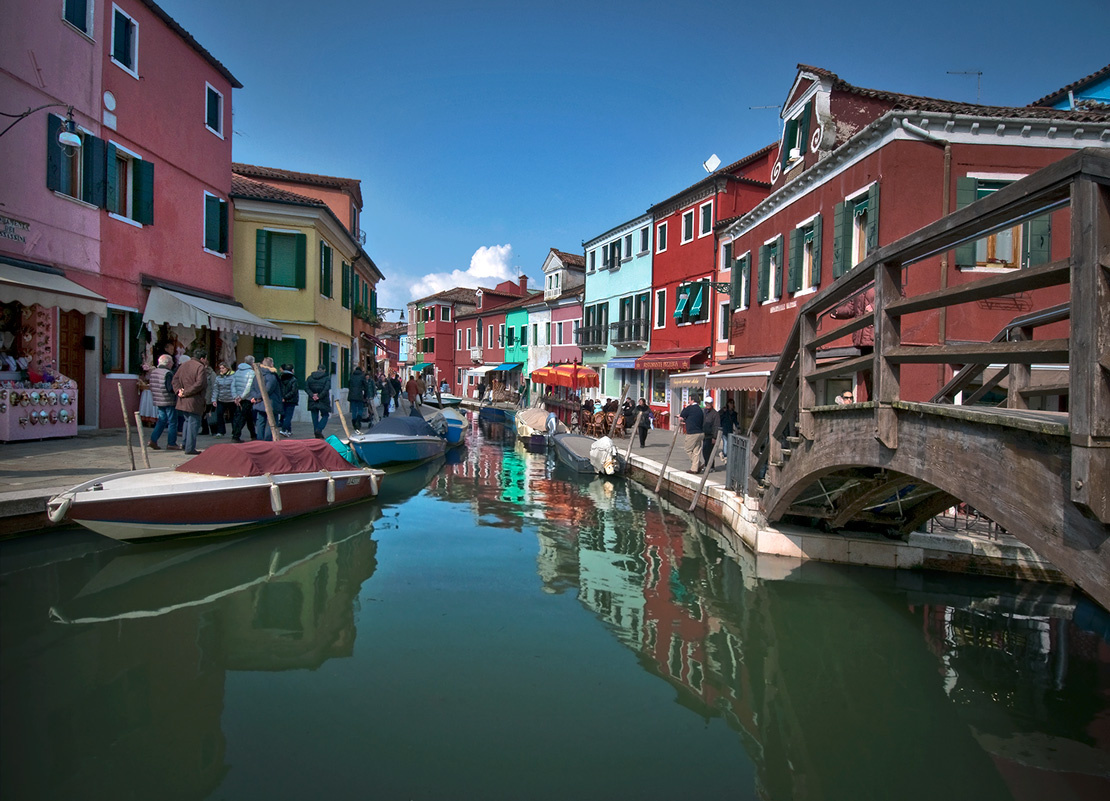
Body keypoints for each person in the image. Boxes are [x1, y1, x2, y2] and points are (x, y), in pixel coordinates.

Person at [172, 347, 209, 455]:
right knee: (193, 423)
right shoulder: (200, 367)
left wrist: (179, 391)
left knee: (187, 422)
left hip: (183, 399)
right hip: (194, 400)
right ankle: (190, 447)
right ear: (202, 358)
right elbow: (200, 384)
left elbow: (175, 379)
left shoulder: (183, 365)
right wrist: (186, 392)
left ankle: (185, 444)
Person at [147, 354, 180, 450]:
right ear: (168, 363)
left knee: (162, 420)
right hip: (168, 400)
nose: (173, 364)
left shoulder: (154, 372)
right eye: (172, 362)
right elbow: (170, 388)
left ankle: (153, 439)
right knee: (172, 422)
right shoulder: (168, 373)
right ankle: (171, 443)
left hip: (158, 400)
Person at [252, 358, 282, 441]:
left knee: (260, 421)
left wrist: (256, 397)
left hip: (259, 402)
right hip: (270, 402)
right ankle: (267, 440)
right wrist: (259, 397)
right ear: (271, 364)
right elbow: (267, 390)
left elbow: (252, 388)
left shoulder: (257, 375)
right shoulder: (271, 376)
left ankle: (260, 439)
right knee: (271, 422)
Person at [230, 355, 257, 443]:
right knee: (242, 417)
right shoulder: (251, 372)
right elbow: (249, 387)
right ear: (252, 362)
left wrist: (235, 396)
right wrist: (241, 397)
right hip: (246, 398)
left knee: (248, 417)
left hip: (238, 398)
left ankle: (253, 434)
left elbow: (233, 385)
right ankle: (236, 436)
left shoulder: (237, 372)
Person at [679, 395, 705, 473]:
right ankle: (695, 469)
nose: (688, 401)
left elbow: (682, 414)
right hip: (700, 432)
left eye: (689, 400)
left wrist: (686, 407)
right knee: (696, 451)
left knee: (688, 449)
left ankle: (697, 464)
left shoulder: (690, 408)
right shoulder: (700, 409)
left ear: (693, 400)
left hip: (692, 433)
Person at [306, 363, 332, 439]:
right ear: (324, 370)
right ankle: (319, 430)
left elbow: (306, 387)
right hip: (323, 400)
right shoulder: (327, 378)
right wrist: (319, 396)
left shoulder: (310, 378)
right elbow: (326, 389)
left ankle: (316, 432)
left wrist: (312, 395)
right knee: (325, 415)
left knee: (314, 417)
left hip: (312, 400)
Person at [212, 362, 235, 437]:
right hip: (221, 399)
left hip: (231, 399)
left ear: (227, 368)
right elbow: (216, 389)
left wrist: (236, 397)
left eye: (223, 368)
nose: (221, 370)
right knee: (219, 415)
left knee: (233, 416)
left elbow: (235, 387)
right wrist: (214, 399)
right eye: (220, 368)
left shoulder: (233, 376)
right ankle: (221, 431)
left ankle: (235, 431)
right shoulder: (218, 377)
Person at [198, 358, 219, 437]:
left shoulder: (211, 374)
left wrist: (214, 398)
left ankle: (214, 430)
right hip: (201, 397)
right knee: (202, 414)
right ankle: (205, 429)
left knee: (210, 414)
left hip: (209, 397)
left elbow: (214, 386)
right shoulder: (199, 373)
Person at [278, 364, 299, 436]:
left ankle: (289, 430)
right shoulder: (293, 379)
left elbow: (279, 389)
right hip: (291, 400)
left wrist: (282, 397)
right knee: (288, 416)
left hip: (282, 400)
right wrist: (286, 397)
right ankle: (284, 429)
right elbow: (293, 391)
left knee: (284, 415)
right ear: (292, 370)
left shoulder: (280, 378)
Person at [347, 364, 369, 434]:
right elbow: (366, 387)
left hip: (352, 395)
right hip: (359, 395)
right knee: (360, 409)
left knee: (354, 409)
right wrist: (365, 396)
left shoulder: (352, 376)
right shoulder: (362, 376)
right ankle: (358, 420)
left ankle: (354, 421)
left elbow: (348, 385)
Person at [701, 397, 721, 470]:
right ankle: (707, 464)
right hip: (704, 434)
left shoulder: (715, 414)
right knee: (704, 451)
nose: (707, 405)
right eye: (706, 403)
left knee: (709, 452)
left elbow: (716, 426)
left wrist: (714, 437)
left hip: (711, 435)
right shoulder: (704, 412)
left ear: (712, 404)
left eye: (709, 403)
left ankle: (711, 466)